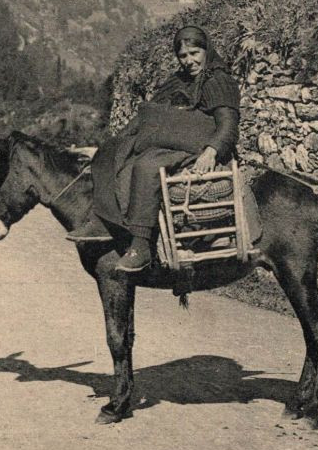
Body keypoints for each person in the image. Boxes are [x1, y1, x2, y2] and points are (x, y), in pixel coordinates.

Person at [68, 25, 241, 272]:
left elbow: (228, 125)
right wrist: (121, 137)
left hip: (196, 147)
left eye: (195, 53)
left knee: (146, 166)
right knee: (113, 152)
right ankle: (104, 220)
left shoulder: (218, 81)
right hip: (169, 142)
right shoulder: (178, 80)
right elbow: (151, 112)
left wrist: (211, 151)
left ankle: (141, 244)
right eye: (183, 56)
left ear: (206, 50)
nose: (189, 61)